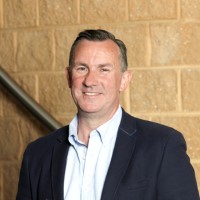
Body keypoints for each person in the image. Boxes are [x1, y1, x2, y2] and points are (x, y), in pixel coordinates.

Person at [16, 29, 199, 200]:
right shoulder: (37, 155)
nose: (90, 81)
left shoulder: (162, 146)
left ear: (124, 80)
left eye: (103, 69)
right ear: (68, 77)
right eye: (82, 68)